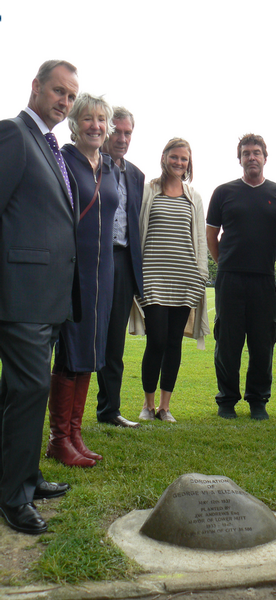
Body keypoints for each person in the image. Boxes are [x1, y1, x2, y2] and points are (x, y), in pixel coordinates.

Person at [0, 60, 80, 534]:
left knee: (21, 392)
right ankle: (14, 498)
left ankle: (25, 475)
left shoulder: (48, 144)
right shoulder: (13, 134)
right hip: (20, 294)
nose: (64, 102)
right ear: (35, 87)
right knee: (30, 390)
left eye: (71, 96)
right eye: (58, 91)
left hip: (46, 296)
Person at [46, 93, 120, 467]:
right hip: (73, 272)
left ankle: (76, 434)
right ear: (75, 124)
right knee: (71, 352)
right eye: (88, 118)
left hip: (103, 273)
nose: (96, 125)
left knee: (91, 351)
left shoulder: (110, 166)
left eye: (101, 119)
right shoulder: (64, 161)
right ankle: (59, 438)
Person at [207, 134, 276, 420]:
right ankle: (226, 401)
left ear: (265, 157)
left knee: (262, 341)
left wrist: (266, 261)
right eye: (246, 153)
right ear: (239, 158)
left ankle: (258, 400)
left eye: (257, 152)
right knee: (227, 341)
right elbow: (211, 234)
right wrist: (225, 262)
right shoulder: (223, 192)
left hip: (264, 279)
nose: (251, 157)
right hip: (230, 279)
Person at [130, 138, 209, 423]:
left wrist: (201, 275)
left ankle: (165, 406)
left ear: (189, 163)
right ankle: (147, 404)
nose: (179, 163)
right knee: (157, 340)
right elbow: (139, 230)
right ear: (164, 158)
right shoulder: (149, 190)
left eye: (184, 159)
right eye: (174, 157)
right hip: (153, 276)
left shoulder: (194, 197)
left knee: (174, 342)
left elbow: (200, 237)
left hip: (185, 277)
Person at [96, 107, 145, 428]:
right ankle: (63, 418)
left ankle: (109, 410)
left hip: (123, 263)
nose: (123, 139)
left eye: (128, 133)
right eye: (117, 131)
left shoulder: (136, 175)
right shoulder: (86, 164)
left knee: (114, 341)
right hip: (91, 262)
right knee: (80, 336)